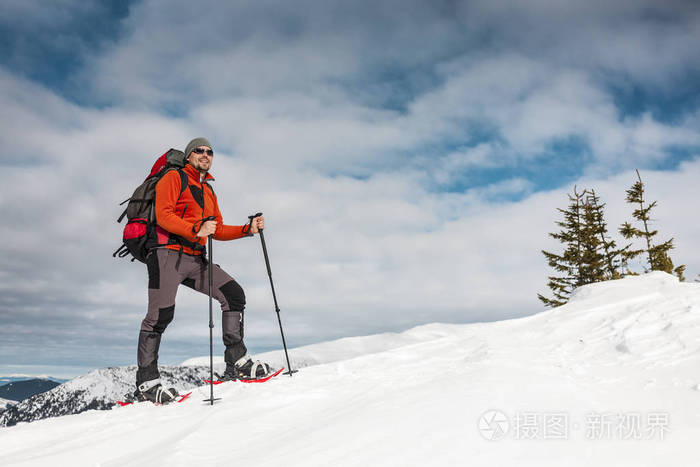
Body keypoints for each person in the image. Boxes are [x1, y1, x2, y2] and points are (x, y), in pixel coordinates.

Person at [134, 137, 269, 403]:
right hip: (166, 255)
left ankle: (236, 361)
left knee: (233, 294)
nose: (205, 154)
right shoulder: (174, 177)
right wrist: (195, 229)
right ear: (188, 155)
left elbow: (215, 229)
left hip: (195, 258)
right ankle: (146, 382)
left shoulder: (208, 190)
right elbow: (164, 215)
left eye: (209, 151)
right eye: (199, 150)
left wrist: (247, 230)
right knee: (160, 315)